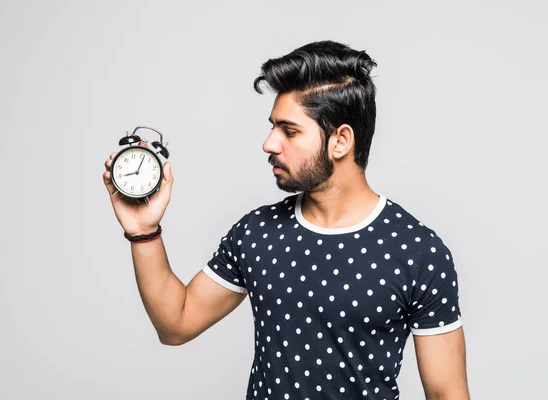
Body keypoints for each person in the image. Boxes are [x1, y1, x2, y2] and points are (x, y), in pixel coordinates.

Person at [103, 40, 470, 400]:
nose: (269, 143)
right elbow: (175, 324)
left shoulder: (418, 252)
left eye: (289, 131)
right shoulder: (256, 232)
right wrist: (143, 231)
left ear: (341, 141)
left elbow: (447, 393)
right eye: (272, 127)